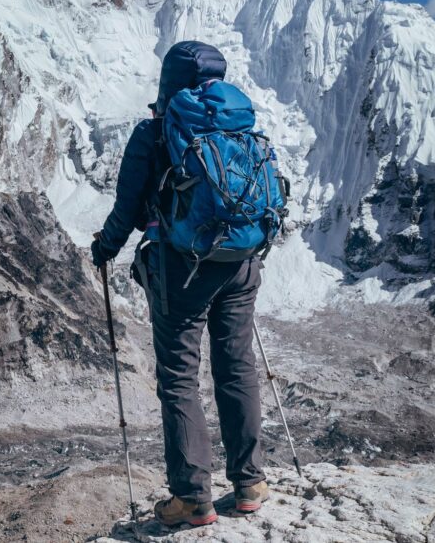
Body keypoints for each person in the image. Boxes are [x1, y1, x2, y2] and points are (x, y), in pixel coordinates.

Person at [91, 40, 270, 527]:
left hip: (181, 271)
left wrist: (104, 248)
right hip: (241, 261)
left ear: (167, 83)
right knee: (236, 367)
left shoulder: (154, 134)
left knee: (179, 379)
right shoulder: (241, 125)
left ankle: (193, 497)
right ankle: (251, 481)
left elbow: (126, 211)